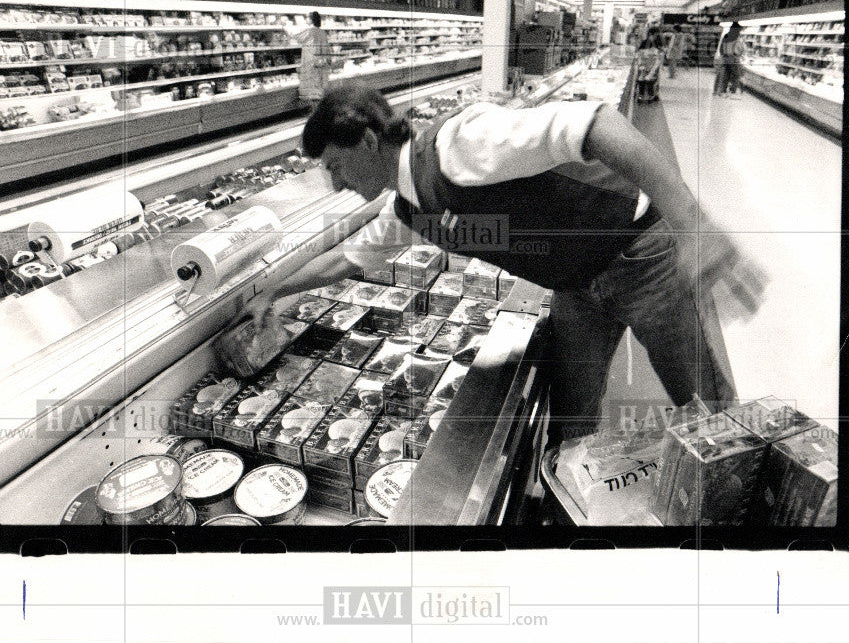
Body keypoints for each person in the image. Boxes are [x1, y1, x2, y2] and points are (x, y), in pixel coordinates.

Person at [240, 82, 766, 443]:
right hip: (577, 285)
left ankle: (743, 503)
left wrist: (695, 224)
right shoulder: (408, 207)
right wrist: (273, 291)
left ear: (369, 140)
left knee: (706, 406)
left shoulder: (457, 146)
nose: (335, 183)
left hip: (637, 254)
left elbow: (597, 124)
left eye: (335, 165)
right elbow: (348, 259)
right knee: (572, 416)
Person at [287, 11, 332, 106]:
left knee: (312, 94)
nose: (306, 19)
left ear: (312, 20)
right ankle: (318, 111)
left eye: (307, 17)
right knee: (318, 92)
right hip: (320, 66)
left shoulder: (310, 31)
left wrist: (286, 25)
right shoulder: (321, 32)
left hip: (311, 65)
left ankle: (315, 112)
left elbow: (295, 35)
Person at [713, 22, 745, 97]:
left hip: (725, 58)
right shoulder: (737, 37)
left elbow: (721, 48)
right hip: (733, 59)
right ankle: (732, 91)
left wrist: (723, 55)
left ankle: (722, 90)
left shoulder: (726, 36)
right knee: (736, 75)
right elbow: (740, 49)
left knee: (725, 75)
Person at [635, 34, 662, 103]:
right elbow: (640, 61)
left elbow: (656, 64)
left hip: (652, 71)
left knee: (649, 80)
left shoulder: (655, 52)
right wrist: (642, 67)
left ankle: (651, 95)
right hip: (645, 70)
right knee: (641, 80)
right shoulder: (643, 52)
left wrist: (650, 73)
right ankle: (641, 94)